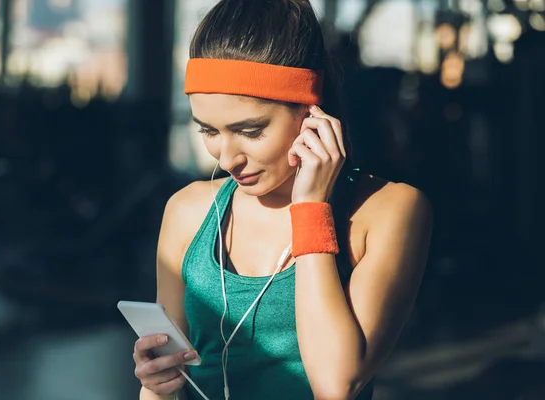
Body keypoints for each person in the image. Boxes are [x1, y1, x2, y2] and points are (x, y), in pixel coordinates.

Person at [133, 0, 433, 399]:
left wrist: (311, 209)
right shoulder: (189, 212)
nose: (227, 159)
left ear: (312, 112)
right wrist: (157, 384)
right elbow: (164, 389)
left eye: (251, 131)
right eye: (209, 130)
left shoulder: (388, 211)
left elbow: (337, 383)